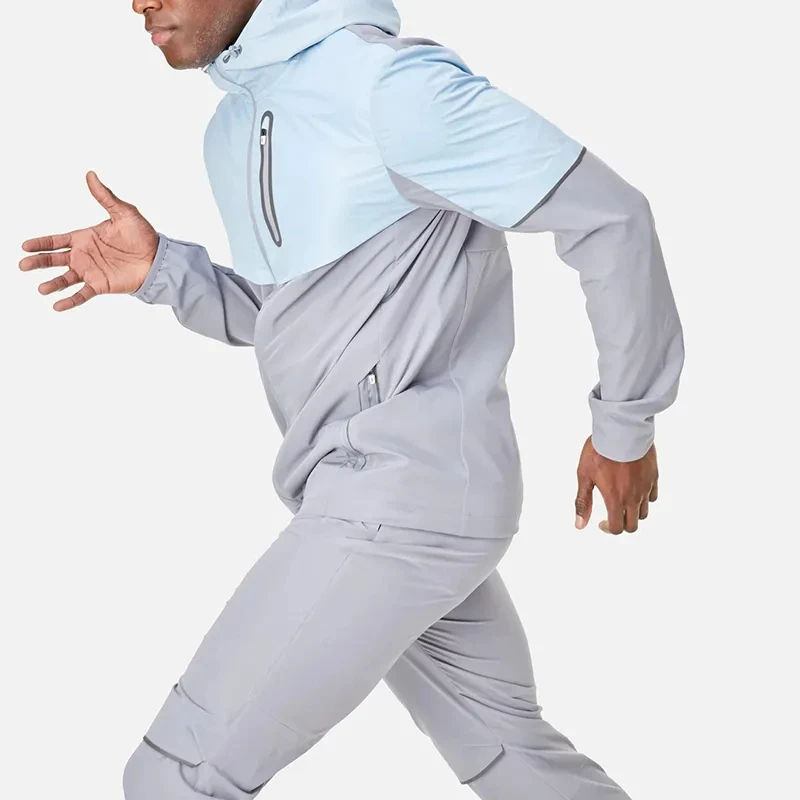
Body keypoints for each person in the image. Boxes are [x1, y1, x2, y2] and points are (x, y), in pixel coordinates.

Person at [19, 0, 684, 797]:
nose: (139, 1)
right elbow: (289, 317)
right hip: (368, 497)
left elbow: (612, 217)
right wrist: (165, 272)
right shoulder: (234, 128)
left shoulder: (390, 87)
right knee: (514, 760)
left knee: (174, 778)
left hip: (400, 498)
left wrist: (624, 427)